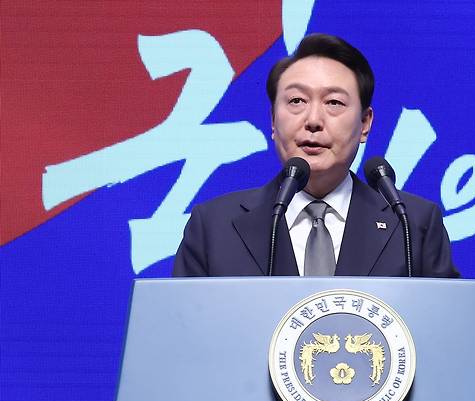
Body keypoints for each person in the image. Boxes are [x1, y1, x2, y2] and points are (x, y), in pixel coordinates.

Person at [173, 33, 459, 278]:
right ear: (273, 121)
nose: (313, 120)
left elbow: (448, 321)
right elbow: (181, 322)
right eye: (296, 100)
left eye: (333, 102)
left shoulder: (412, 224)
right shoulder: (213, 227)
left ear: (364, 123)